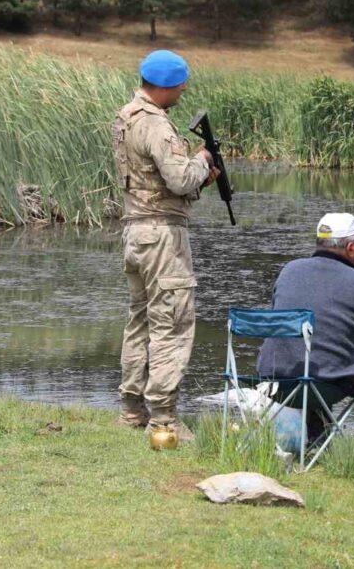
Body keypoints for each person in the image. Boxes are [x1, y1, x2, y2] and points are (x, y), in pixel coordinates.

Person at [112, 50, 219, 442]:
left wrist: (198, 177)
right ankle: (164, 420)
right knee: (171, 322)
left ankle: (131, 408)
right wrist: (204, 161)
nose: (184, 90)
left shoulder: (126, 117)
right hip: (161, 237)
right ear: (166, 85)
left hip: (135, 231)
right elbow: (177, 178)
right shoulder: (157, 125)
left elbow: (150, 179)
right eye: (180, 85)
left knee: (140, 320)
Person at [257, 213, 354, 449]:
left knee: (310, 354)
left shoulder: (289, 270)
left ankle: (317, 437)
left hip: (275, 380)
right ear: (351, 247)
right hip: (324, 384)